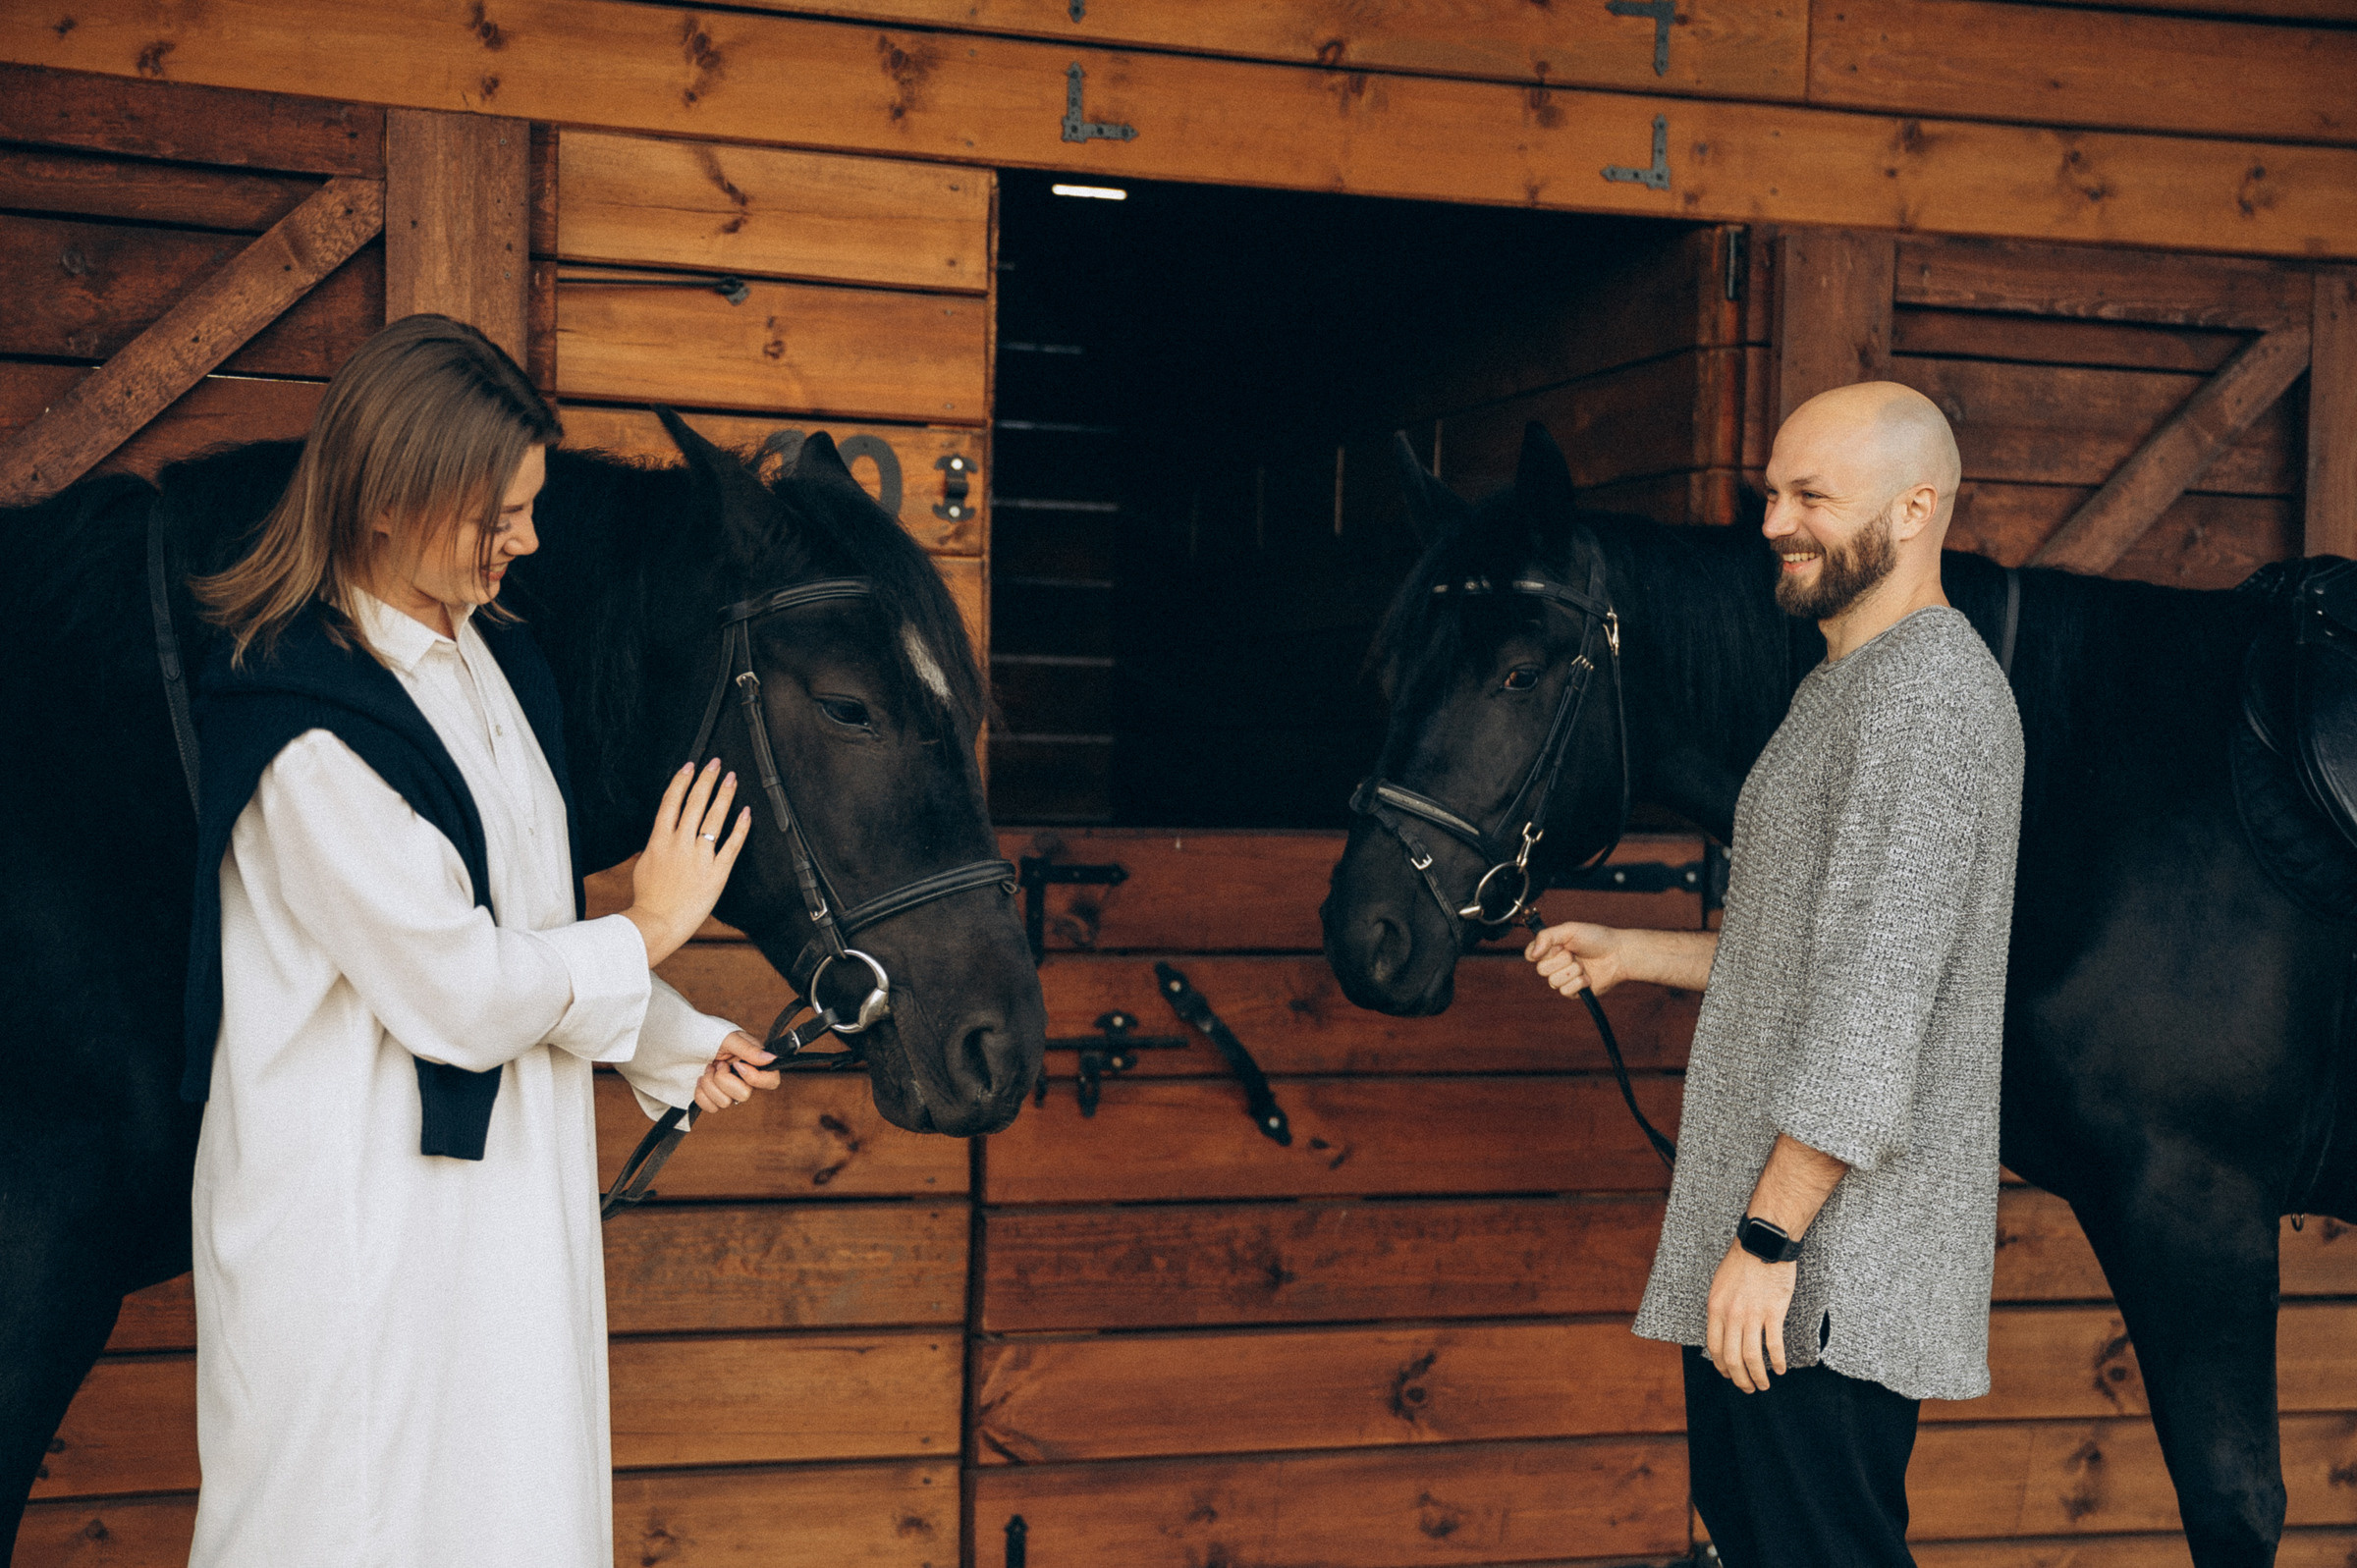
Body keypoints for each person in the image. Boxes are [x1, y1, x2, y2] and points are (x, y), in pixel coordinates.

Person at [182, 314, 781, 1565]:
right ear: (388, 503)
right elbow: (456, 990)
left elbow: (519, 924)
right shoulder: (308, 727)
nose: (529, 541)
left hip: (499, 1207)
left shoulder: (492, 666)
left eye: (531, 506)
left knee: (506, 1517)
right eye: (498, 515)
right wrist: (654, 925)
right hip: (360, 1223)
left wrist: (665, 1037)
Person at [1526, 382, 2023, 1567]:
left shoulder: (1928, 700)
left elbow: (1875, 1009)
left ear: (1915, 510)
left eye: (1811, 497)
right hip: (1783, 1253)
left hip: (1829, 1267)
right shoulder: (1840, 686)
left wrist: (1766, 1242)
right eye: (1769, 495)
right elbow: (1817, 955)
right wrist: (1637, 952)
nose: (1773, 524)